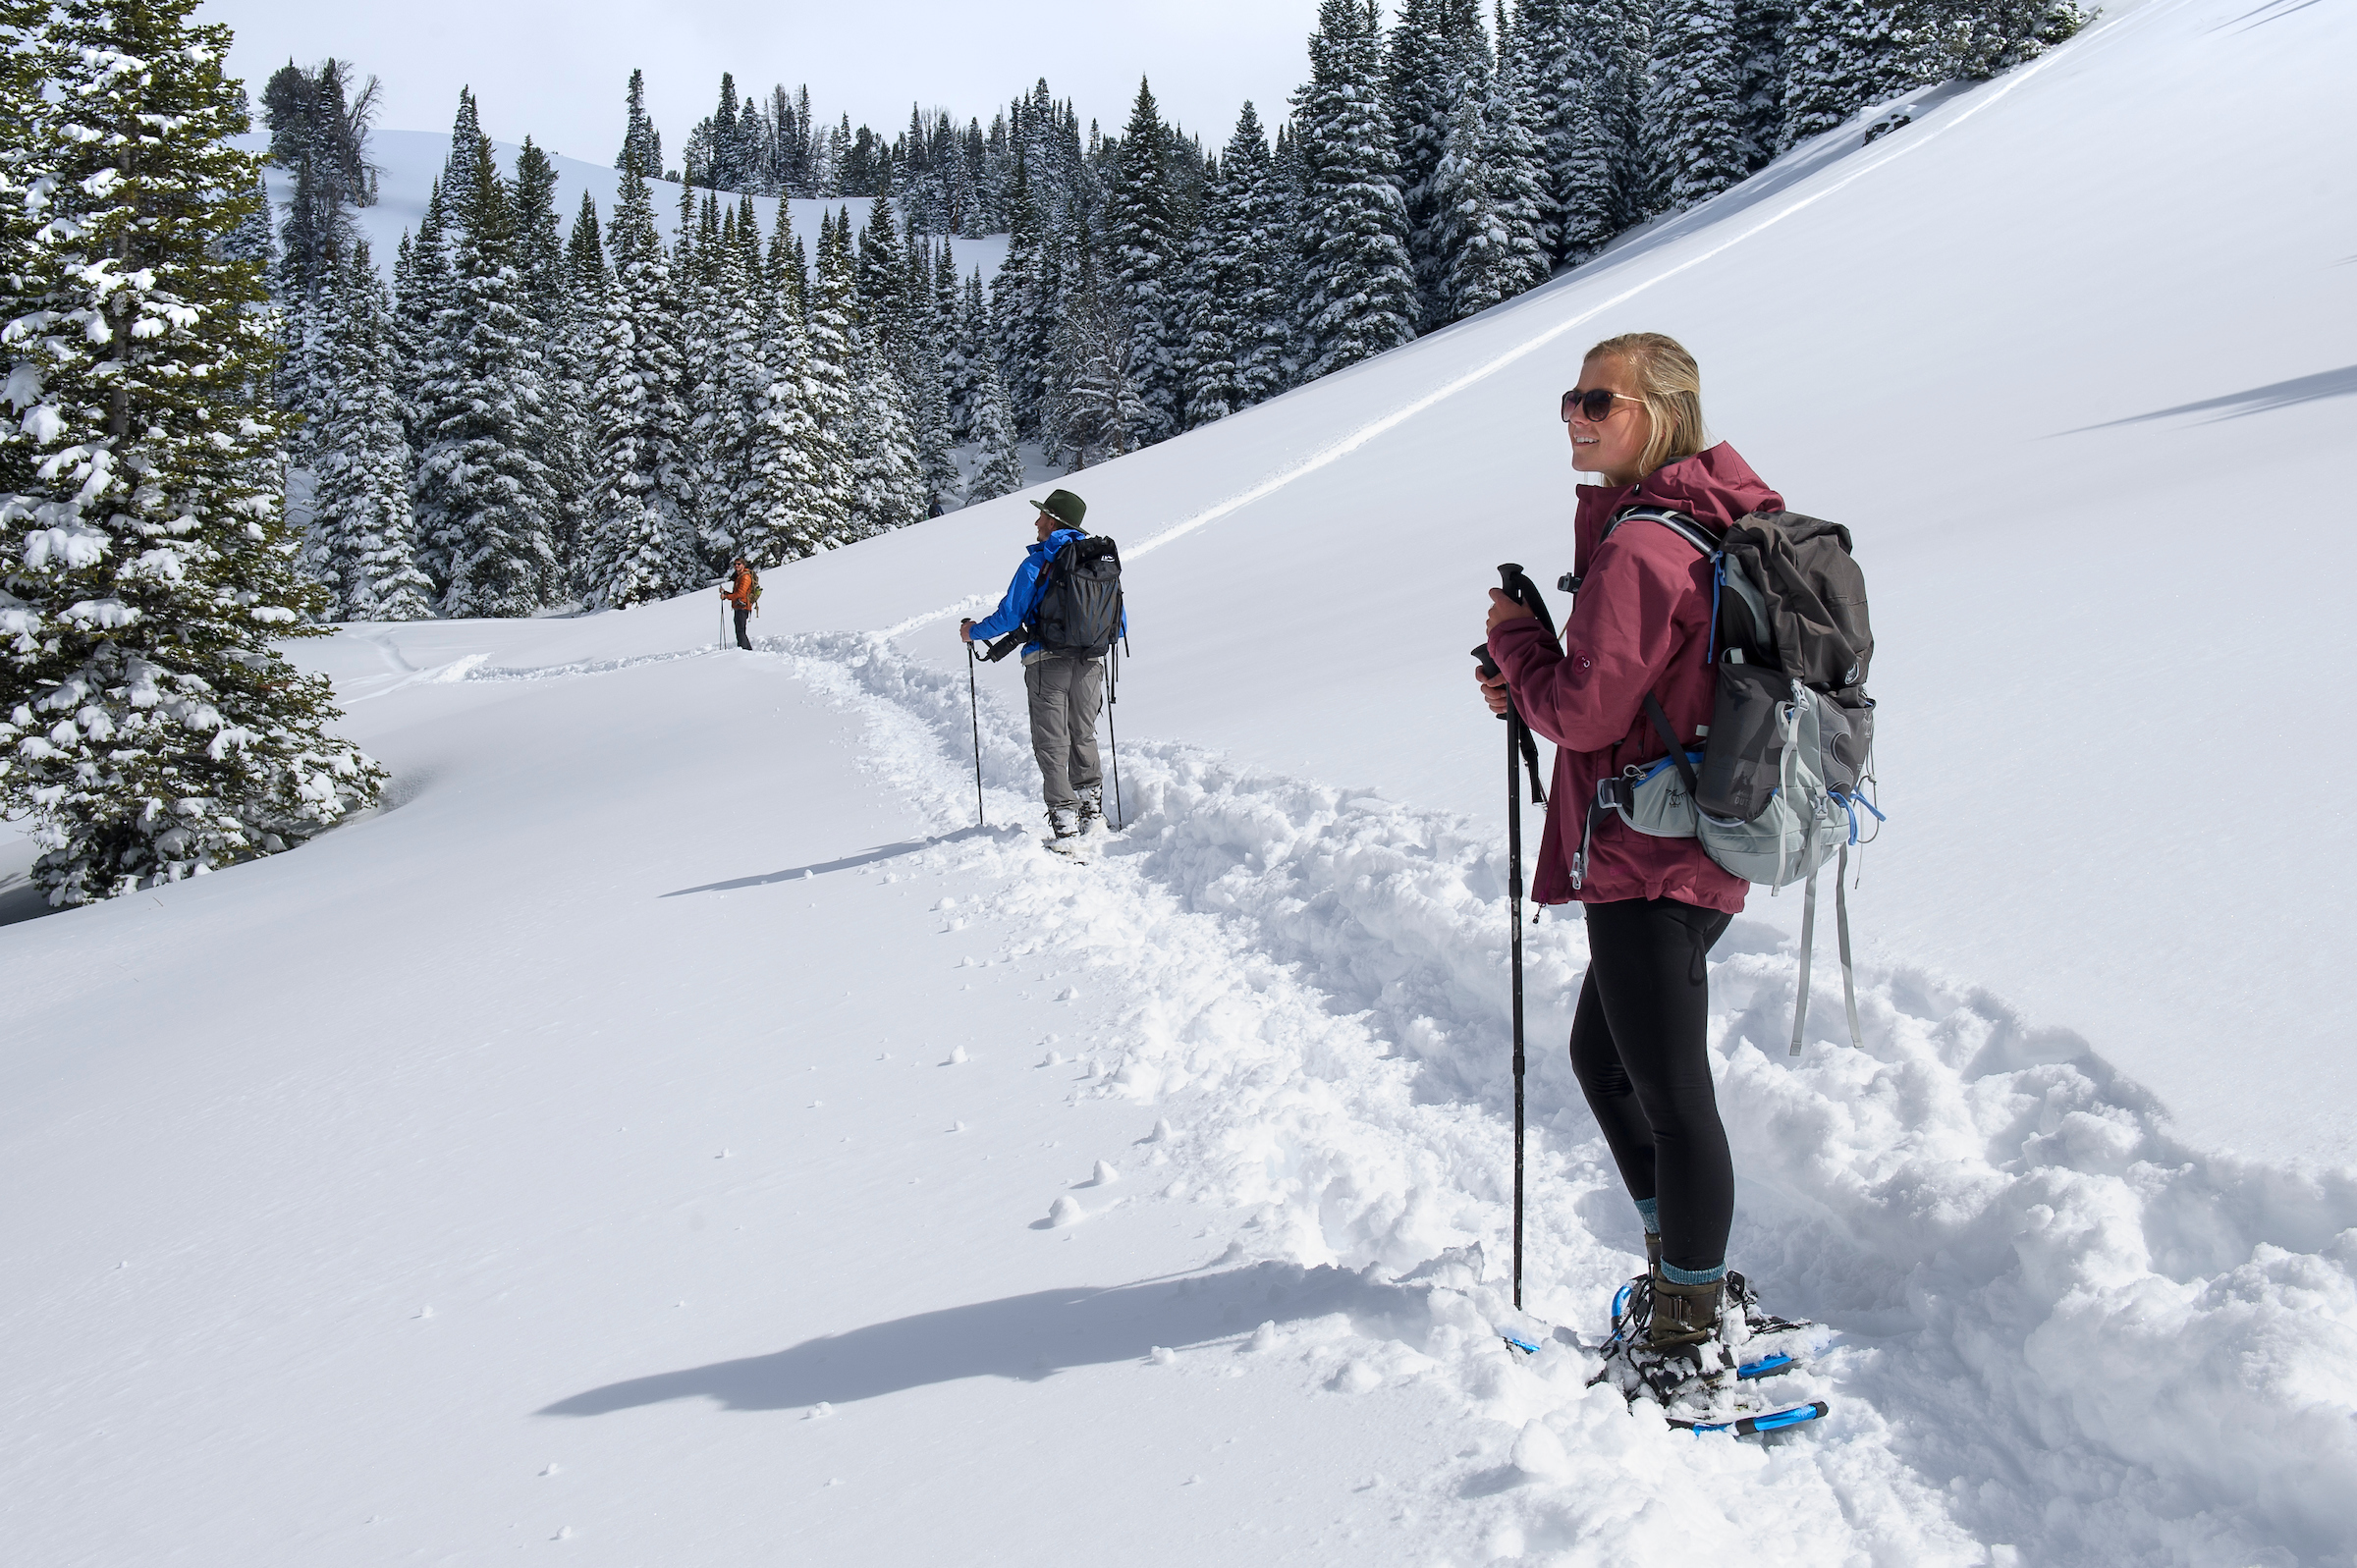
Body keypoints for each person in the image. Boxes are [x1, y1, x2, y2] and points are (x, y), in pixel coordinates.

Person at [1476, 332, 1784, 1363]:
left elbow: (1584, 709)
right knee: (1602, 1056)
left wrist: (1520, 646)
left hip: (1652, 851)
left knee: (1668, 1091)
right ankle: (1681, 1274)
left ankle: (1690, 1318)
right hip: (1688, 836)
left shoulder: (1645, 543)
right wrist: (1529, 675)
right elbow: (1628, 692)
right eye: (1570, 397)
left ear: (1659, 412)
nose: (1575, 414)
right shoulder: (1683, 526)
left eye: (1598, 400)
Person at [959, 489, 1112, 848]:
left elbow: (1010, 616)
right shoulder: (1097, 562)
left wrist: (973, 632)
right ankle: (1092, 813)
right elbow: (1115, 622)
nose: (1037, 522)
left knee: (1052, 742)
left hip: (1047, 662)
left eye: (1042, 516)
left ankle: (1065, 826)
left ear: (1055, 521)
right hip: (1090, 662)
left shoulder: (1040, 561)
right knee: (1083, 733)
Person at [720, 558, 758, 650]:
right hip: (740, 606)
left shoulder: (745, 577)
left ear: (743, 565)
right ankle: (745, 649)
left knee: (740, 631)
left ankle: (745, 650)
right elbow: (738, 594)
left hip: (743, 606)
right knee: (740, 630)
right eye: (735, 564)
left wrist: (726, 596)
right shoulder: (740, 576)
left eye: (739, 564)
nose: (736, 566)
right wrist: (726, 594)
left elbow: (741, 593)